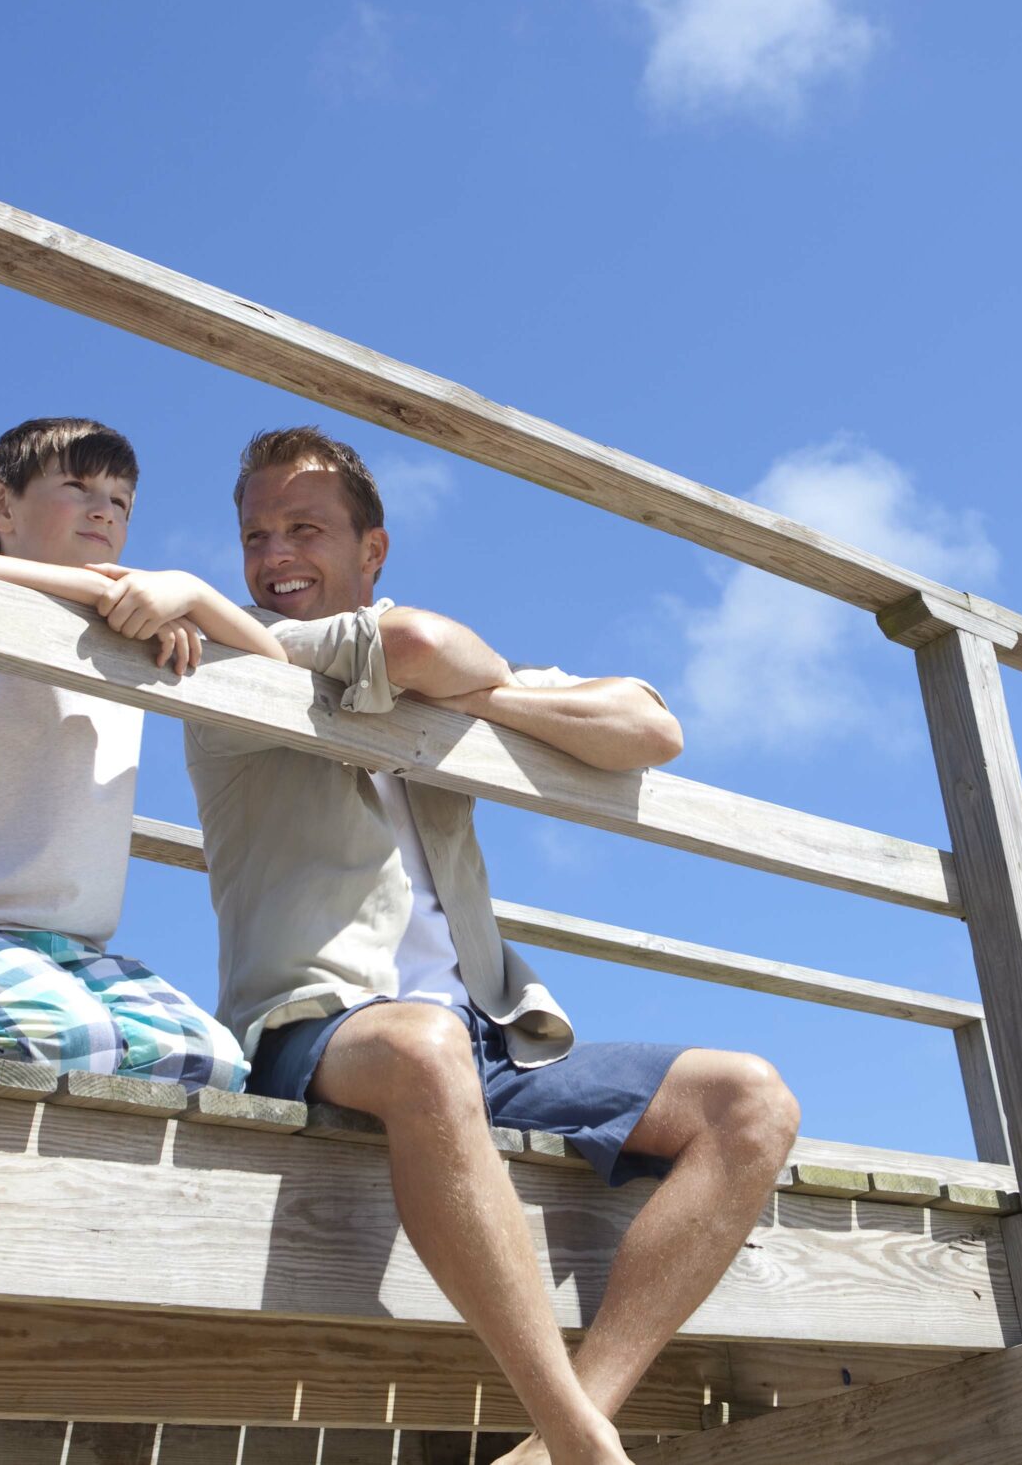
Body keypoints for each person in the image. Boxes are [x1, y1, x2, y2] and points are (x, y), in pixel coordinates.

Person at [186, 426, 801, 1465]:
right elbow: (420, 648)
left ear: (370, 552)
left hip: (487, 1037)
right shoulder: (236, 658)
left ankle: (556, 1442)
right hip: (316, 1025)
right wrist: (481, 694)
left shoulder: (437, 677)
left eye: (304, 528)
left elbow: (650, 726)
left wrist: (486, 698)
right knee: (422, 1046)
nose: (272, 556)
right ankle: (585, 1446)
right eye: (255, 534)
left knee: (751, 1101)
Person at [0, 416, 282, 1091]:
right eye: (78, 486)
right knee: (63, 1035)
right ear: (2, 506)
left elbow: (277, 675)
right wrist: (98, 587)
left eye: (121, 501)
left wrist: (195, 592)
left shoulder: (137, 644)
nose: (104, 510)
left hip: (71, 955)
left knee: (210, 1061)